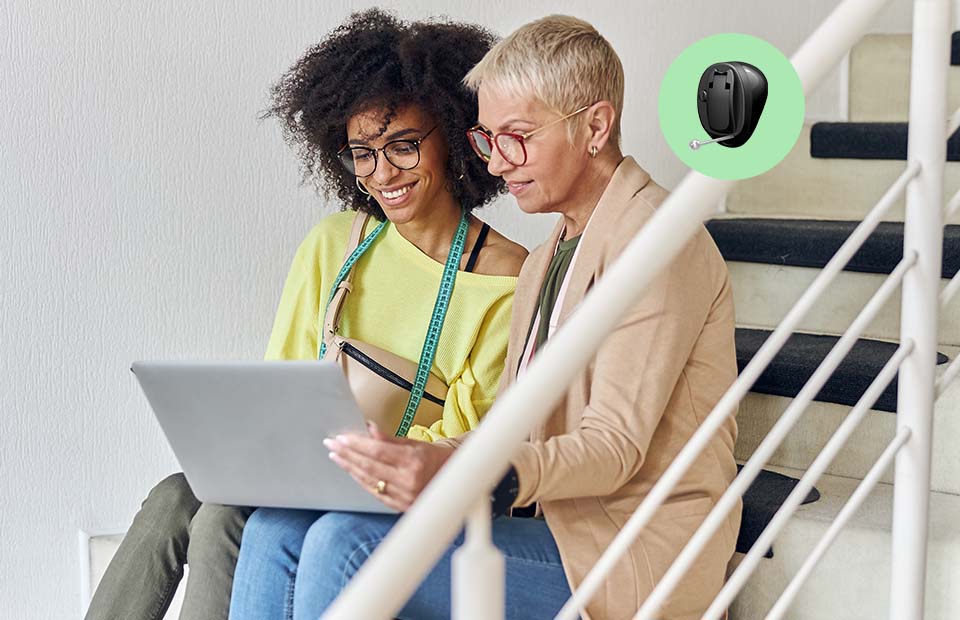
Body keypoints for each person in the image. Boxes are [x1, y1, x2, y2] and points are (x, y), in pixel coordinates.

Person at [232, 14, 740, 620]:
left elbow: (613, 448)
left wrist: (461, 472)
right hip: (546, 524)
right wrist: (411, 459)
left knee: (348, 543)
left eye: (517, 136)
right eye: (487, 139)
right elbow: (517, 426)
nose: (497, 164)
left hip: (624, 553)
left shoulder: (658, 240)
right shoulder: (549, 256)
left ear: (596, 126)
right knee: (276, 529)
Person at [85, 9, 525, 620]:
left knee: (217, 517)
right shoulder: (337, 243)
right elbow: (281, 377)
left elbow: (473, 439)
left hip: (393, 486)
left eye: (403, 146)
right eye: (361, 154)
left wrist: (348, 458)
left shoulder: (503, 278)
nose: (381, 173)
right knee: (170, 498)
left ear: (452, 132)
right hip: (299, 463)